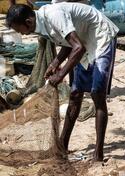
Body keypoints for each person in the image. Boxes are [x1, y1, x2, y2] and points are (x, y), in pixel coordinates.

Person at [6, 3, 118, 161]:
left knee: (97, 94)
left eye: (20, 30)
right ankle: (63, 145)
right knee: (75, 94)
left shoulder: (54, 16)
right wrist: (54, 64)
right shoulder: (42, 24)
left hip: (100, 37)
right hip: (82, 43)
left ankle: (98, 153)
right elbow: (69, 44)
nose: (22, 34)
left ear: (28, 22)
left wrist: (60, 75)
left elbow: (77, 47)